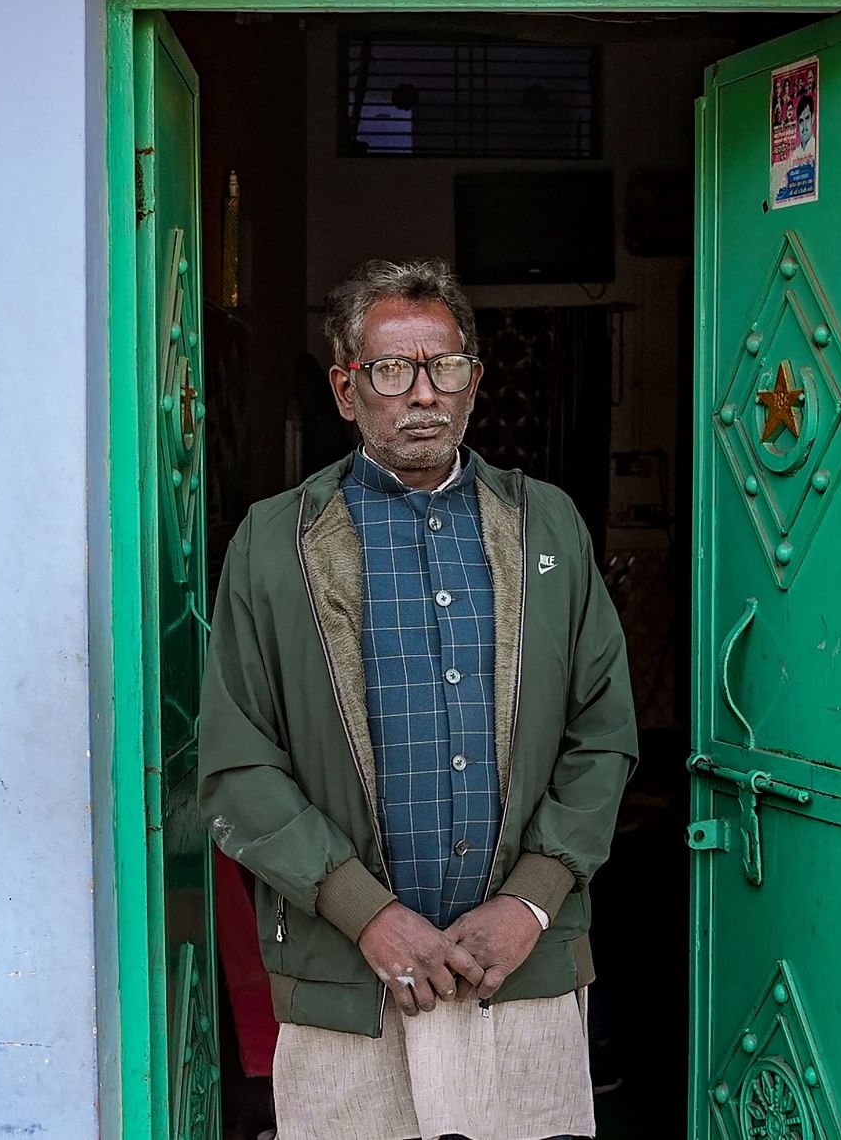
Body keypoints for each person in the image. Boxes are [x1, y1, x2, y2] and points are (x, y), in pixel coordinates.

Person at [199, 258, 637, 1140]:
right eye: (392, 370)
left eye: (443, 366)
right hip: (343, 979)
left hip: (519, 972)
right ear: (346, 388)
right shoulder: (273, 544)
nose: (422, 394)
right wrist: (369, 916)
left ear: (474, 380)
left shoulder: (544, 523)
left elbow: (604, 733)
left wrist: (534, 901)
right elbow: (240, 765)